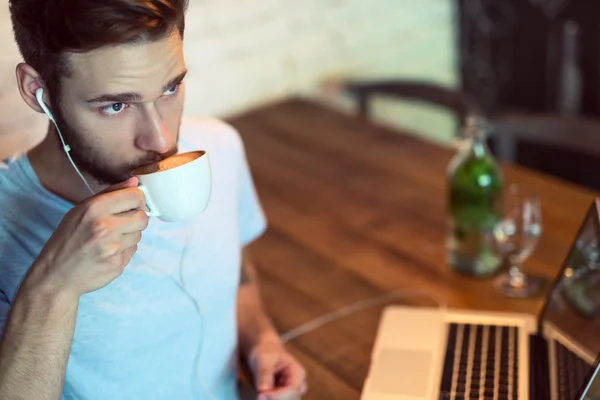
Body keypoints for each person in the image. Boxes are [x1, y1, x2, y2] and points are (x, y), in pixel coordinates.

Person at [0, 0, 307, 399]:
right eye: (116, 105)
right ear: (37, 91)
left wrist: (261, 341)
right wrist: (51, 290)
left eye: (171, 88)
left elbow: (237, 276)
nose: (161, 140)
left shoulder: (219, 147)